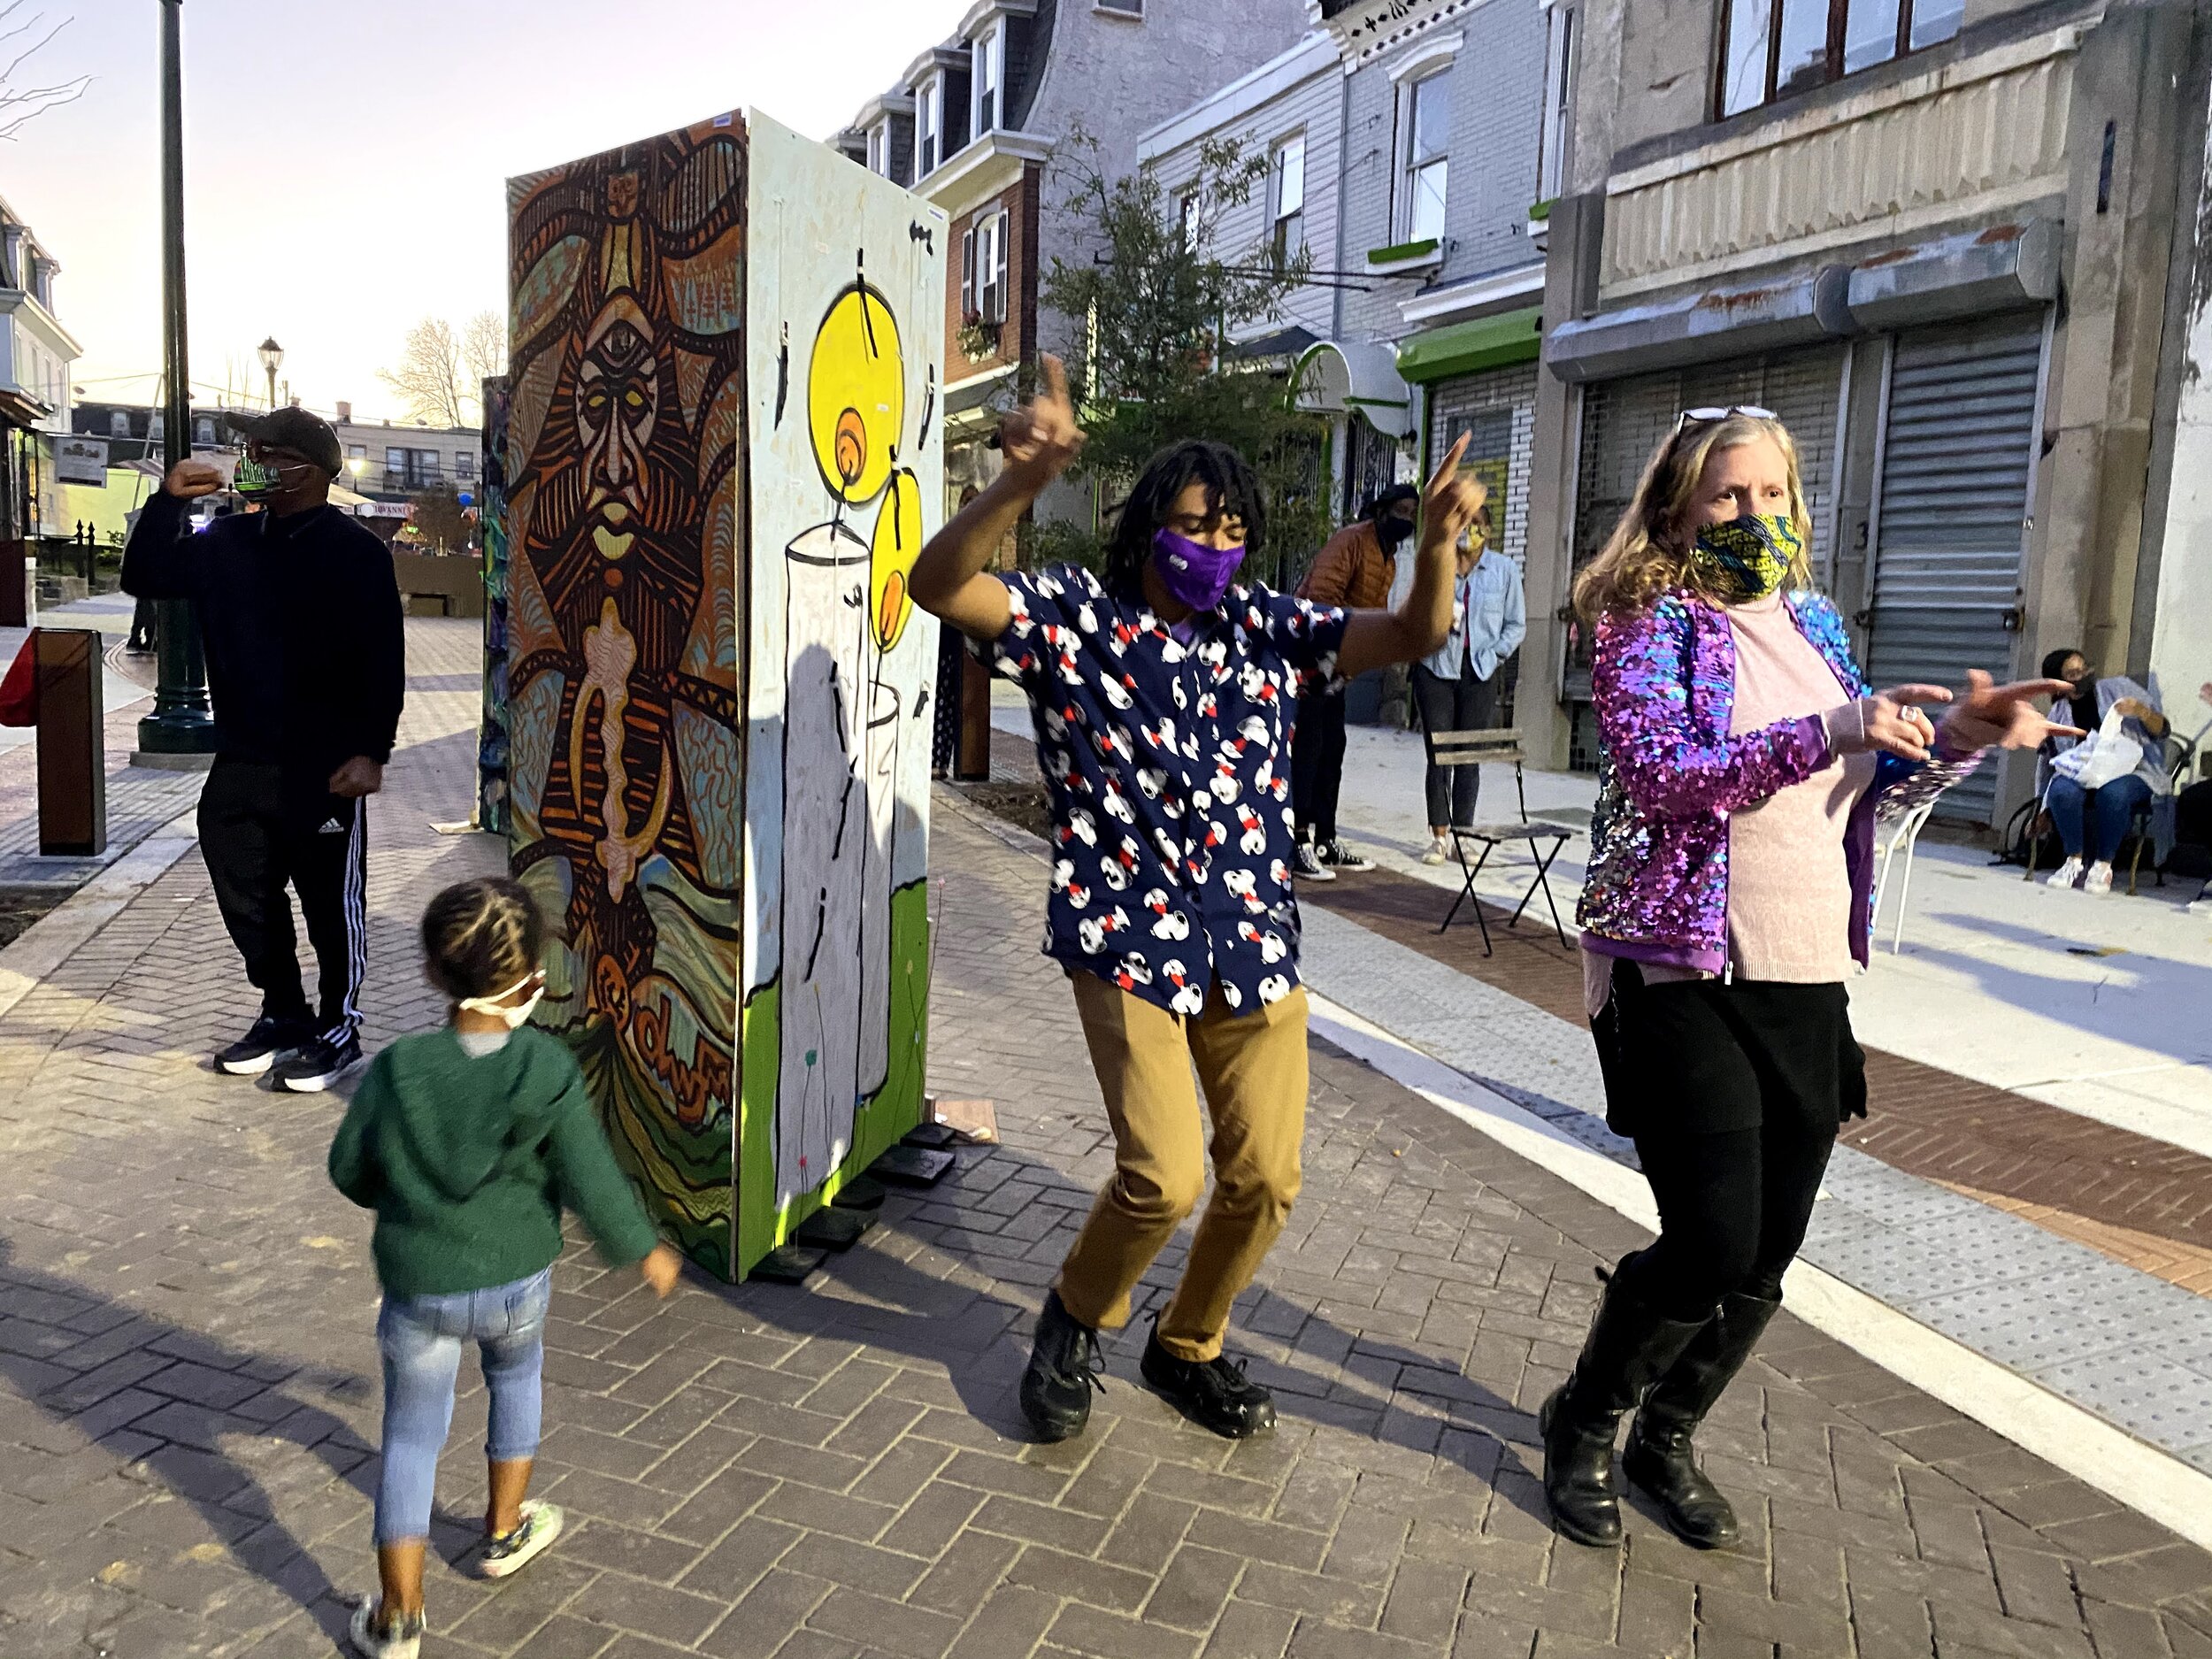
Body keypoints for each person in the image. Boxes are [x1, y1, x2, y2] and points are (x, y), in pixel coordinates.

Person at [909, 357, 1484, 1443]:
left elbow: (1411, 637)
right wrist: (1018, 484)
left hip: (1251, 941)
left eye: (1231, 530)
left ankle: (1188, 1345)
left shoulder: (1266, 626)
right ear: (1145, 528)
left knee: (1265, 1178)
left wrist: (1437, 546)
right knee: (1164, 1177)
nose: (1215, 546)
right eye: (1192, 525)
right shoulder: (1076, 618)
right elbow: (939, 588)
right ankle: (1076, 1316)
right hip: (1125, 934)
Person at [1549, 407, 2070, 1554]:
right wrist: (1829, 727)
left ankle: (1666, 1436)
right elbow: (1664, 774)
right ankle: (1583, 1417)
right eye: (1729, 495)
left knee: (1768, 1252)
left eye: (1773, 494)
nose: (1755, 513)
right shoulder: (1645, 620)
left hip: (1806, 968)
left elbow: (1864, 787)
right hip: (1682, 966)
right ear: (1680, 505)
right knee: (1709, 1240)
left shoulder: (1816, 622)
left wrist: (1961, 734)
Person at [328, 877, 683, 1659]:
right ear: (531, 978)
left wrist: (404, 1197)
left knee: (410, 1438)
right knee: (517, 1380)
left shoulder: (398, 1069)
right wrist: (642, 1247)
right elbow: (590, 1175)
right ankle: (503, 1529)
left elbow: (348, 1168)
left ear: (432, 970)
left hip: (421, 1285)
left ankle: (399, 1617)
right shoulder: (544, 1067)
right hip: (518, 1277)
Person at [121, 409, 404, 1092]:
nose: (252, 462)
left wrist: (372, 751)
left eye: (268, 452)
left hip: (325, 767)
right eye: (249, 450)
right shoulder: (227, 541)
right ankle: (283, 1011)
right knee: (245, 890)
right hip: (242, 756)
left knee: (330, 906)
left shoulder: (357, 553)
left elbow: (383, 659)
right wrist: (167, 502)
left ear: (311, 469)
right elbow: (145, 574)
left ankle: (338, 1027)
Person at [1289, 485, 1420, 879]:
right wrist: (1339, 652)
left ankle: (1326, 839)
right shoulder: (1350, 541)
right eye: (1402, 510)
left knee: (1333, 750)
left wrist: (1356, 659)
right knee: (1308, 751)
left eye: (1413, 513)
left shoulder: (1388, 556)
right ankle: (1298, 840)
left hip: (1339, 664)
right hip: (1311, 658)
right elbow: (1321, 598)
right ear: (1380, 512)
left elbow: (1373, 614)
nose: (1408, 520)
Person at [1411, 504, 1525, 862]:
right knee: (1439, 756)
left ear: (1488, 531)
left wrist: (1493, 657)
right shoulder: (1438, 565)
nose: (1468, 531)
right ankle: (1439, 836)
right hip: (1436, 669)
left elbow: (1516, 625)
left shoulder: (1504, 571)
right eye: (1463, 524)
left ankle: (1462, 834)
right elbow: (1414, 611)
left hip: (1479, 672)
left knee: (1469, 757)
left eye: (1476, 525)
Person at [2036, 647, 2173, 895]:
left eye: (2083, 669)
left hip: (2134, 769)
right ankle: (2074, 860)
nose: (2082, 675)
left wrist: (2141, 711)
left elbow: (2162, 729)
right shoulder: (2058, 713)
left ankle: (2103, 865)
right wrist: (2041, 805)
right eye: (2072, 674)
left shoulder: (2118, 688)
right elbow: (2048, 761)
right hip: (2085, 772)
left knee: (2112, 794)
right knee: (2061, 790)